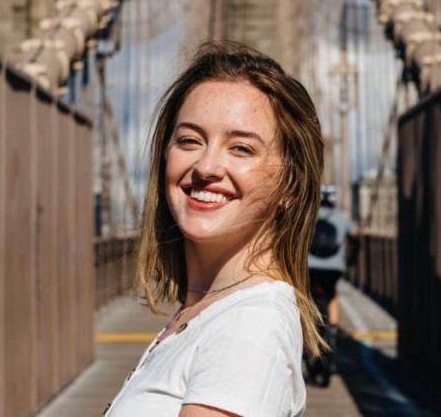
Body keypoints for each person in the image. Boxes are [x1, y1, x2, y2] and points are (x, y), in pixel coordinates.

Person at [104, 41, 325, 417]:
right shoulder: (202, 316)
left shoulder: (250, 326)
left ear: (291, 185)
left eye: (241, 148)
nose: (206, 166)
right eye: (189, 140)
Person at [307, 185, 354, 333]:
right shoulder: (343, 217)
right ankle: (333, 329)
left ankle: (308, 329)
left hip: (311, 265)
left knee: (308, 294)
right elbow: (356, 236)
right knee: (332, 293)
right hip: (335, 267)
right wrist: (352, 258)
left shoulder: (309, 216)